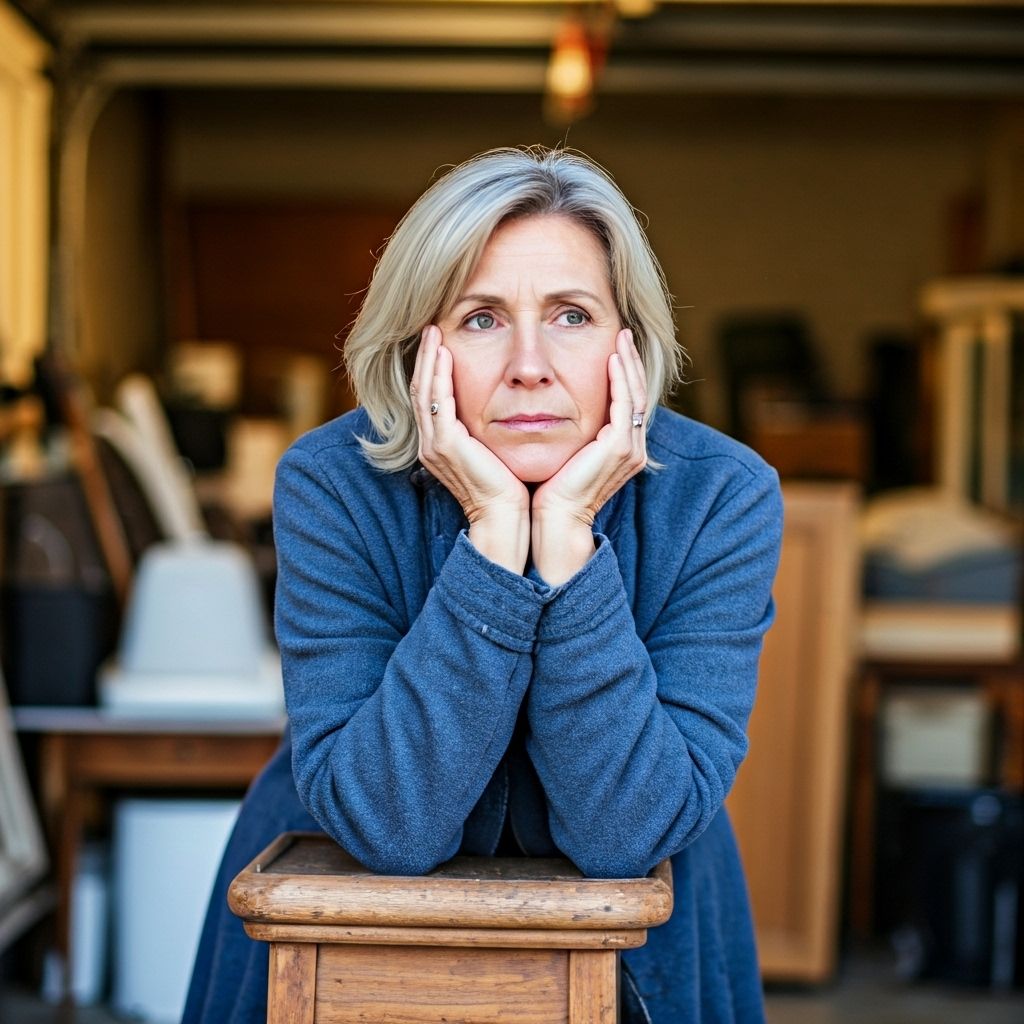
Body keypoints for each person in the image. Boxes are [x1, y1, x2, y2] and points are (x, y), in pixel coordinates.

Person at [183, 145, 783, 1024]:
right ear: (418, 348)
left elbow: (627, 835)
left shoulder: (719, 497)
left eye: (572, 315)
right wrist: (495, 547)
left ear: (630, 345)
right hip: (331, 917)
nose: (529, 364)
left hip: (648, 947)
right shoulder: (331, 483)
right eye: (481, 318)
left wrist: (570, 544)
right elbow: (389, 823)